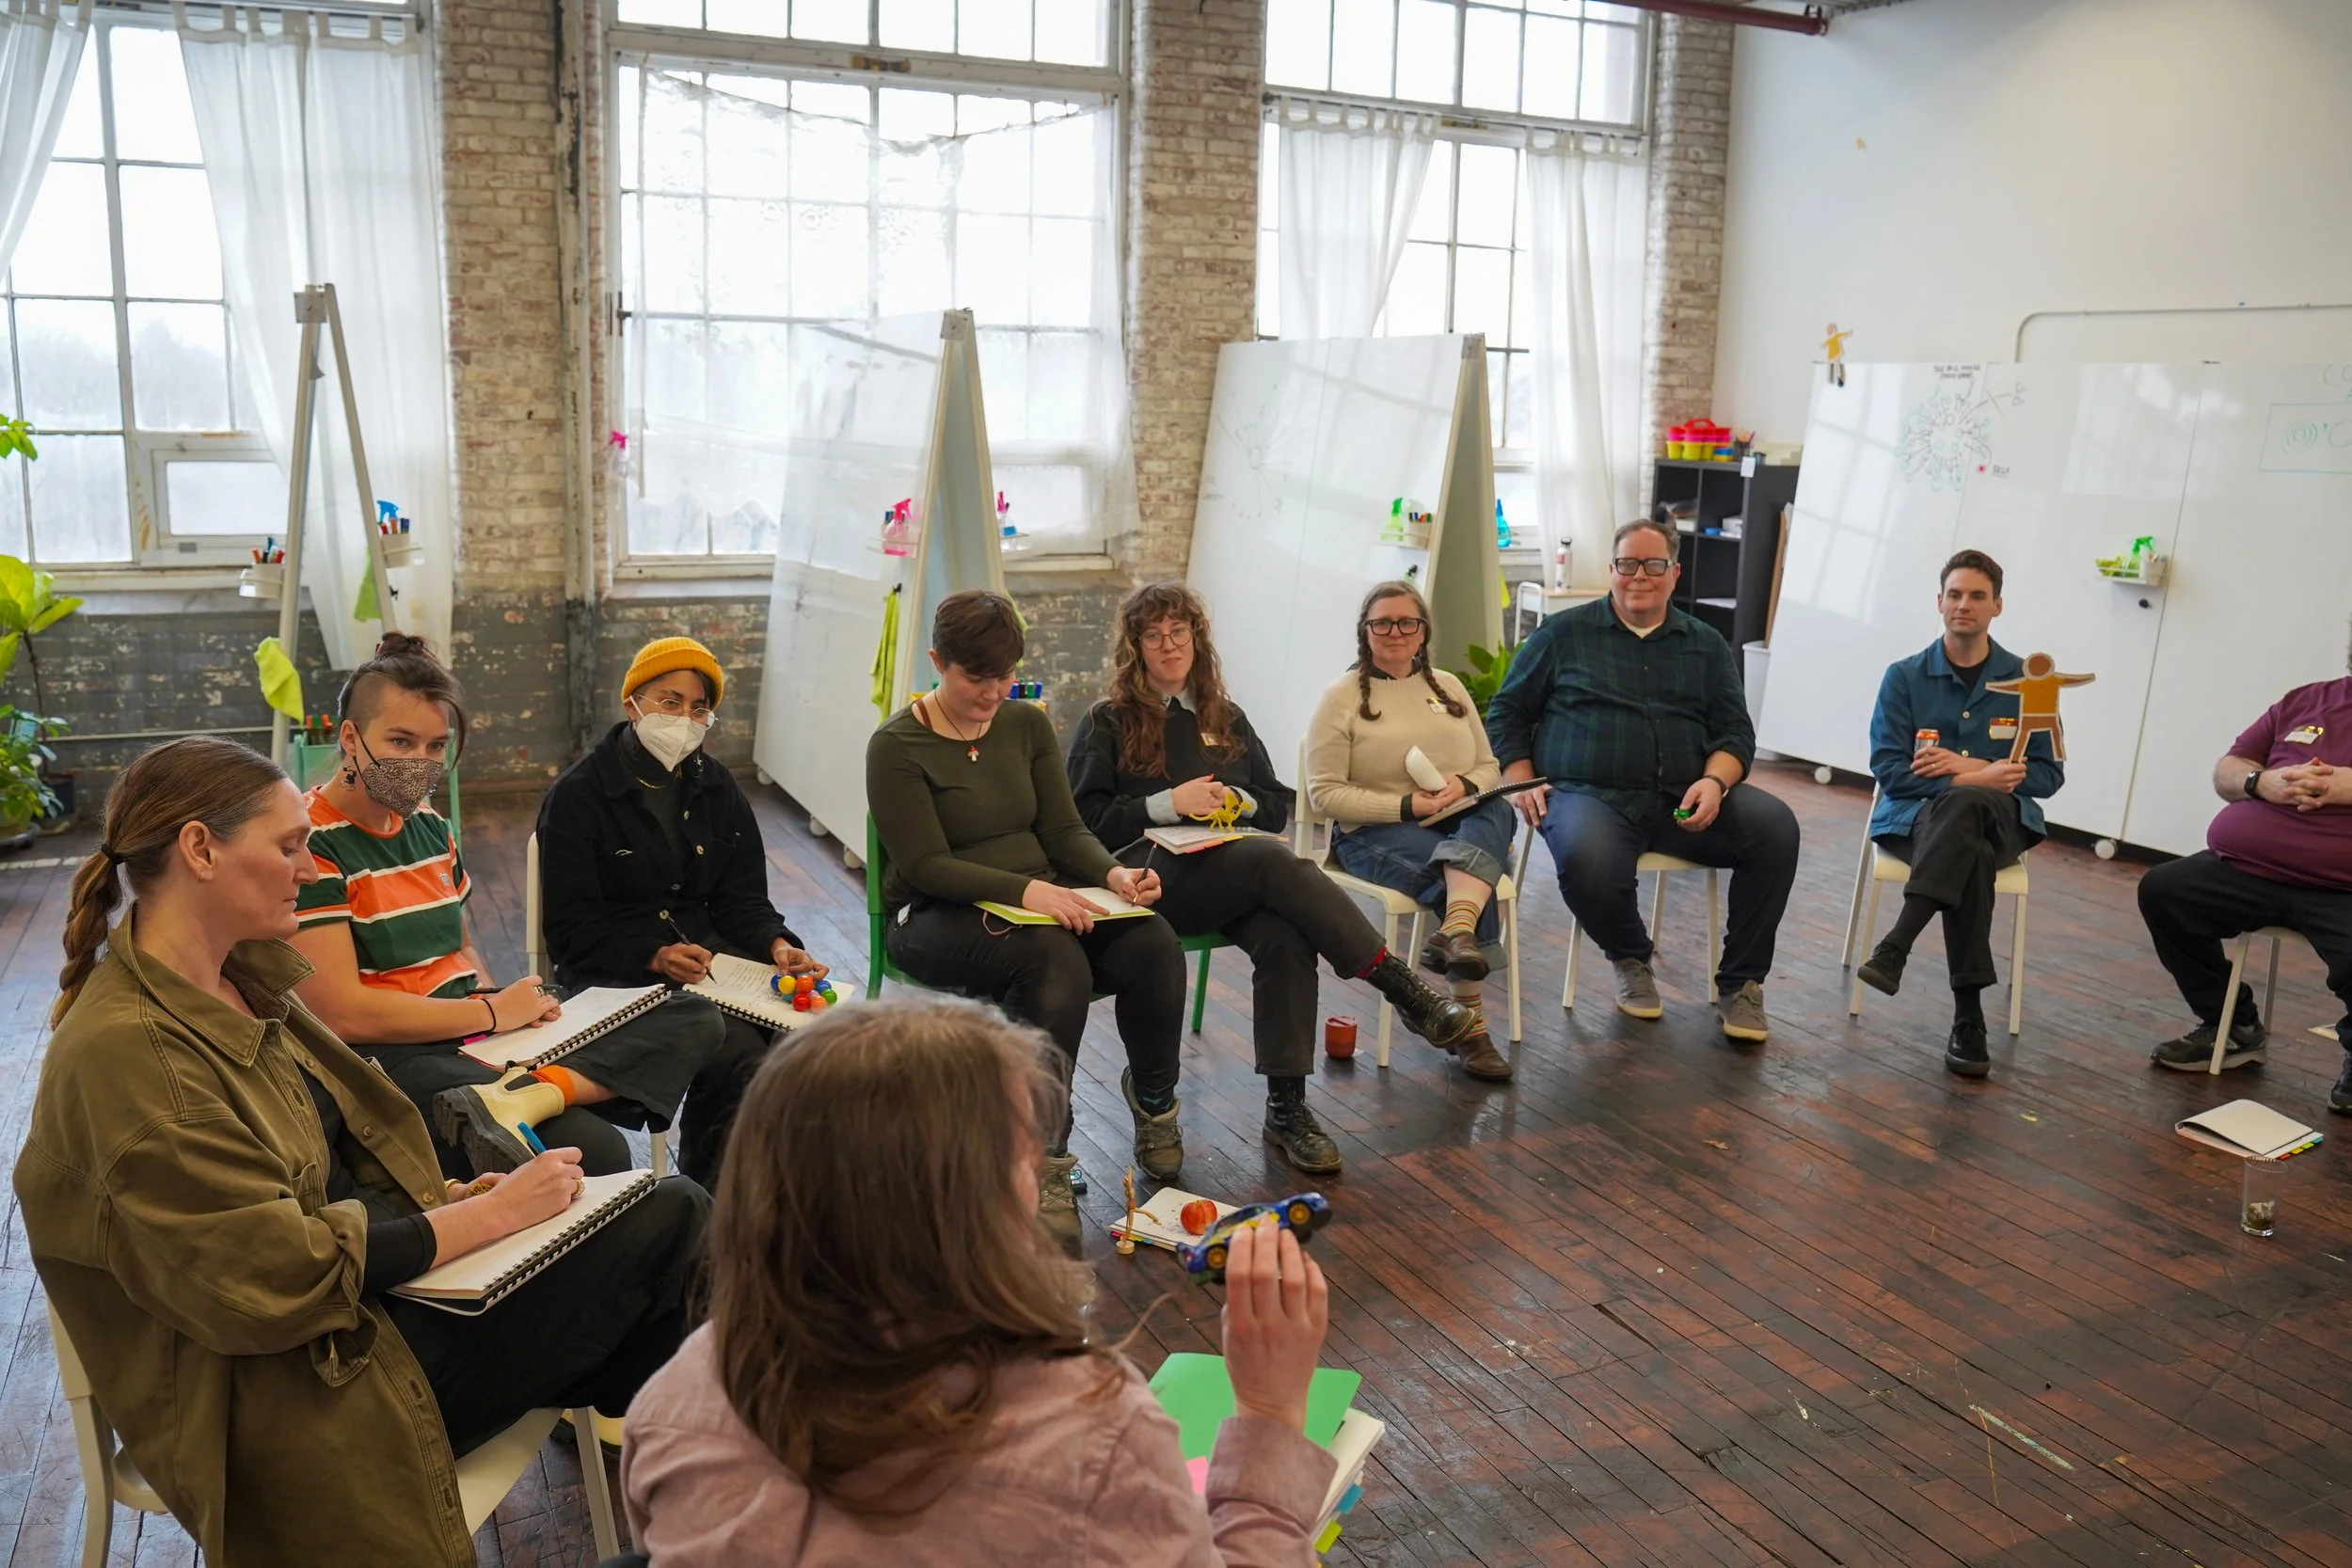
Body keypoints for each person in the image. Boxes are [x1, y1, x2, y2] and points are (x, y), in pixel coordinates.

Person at [15, 736, 707, 1568]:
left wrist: (451, 1201)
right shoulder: (128, 1055)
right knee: (673, 1231)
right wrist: (487, 1215)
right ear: (199, 849)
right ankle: (718, 1504)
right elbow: (271, 1275)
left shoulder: (243, 978)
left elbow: (328, 1170)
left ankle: (703, 1501)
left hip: (364, 1318)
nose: (310, 869)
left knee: (659, 1229)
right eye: (287, 846)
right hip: (301, 1391)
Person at [620, 995, 1337, 1566]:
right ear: (969, 1203)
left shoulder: (680, 1395)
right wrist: (1272, 1412)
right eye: (1026, 1161)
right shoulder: (1094, 1433)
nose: (1036, 1184)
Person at [1068, 583, 1476, 1172]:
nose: (1168, 646)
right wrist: (1168, 802)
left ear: (1196, 640)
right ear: (1134, 648)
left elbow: (1277, 805)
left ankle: (1287, 1109)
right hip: (1147, 881)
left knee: (1286, 933)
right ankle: (1401, 987)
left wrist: (1236, 798)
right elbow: (1083, 823)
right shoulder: (1105, 721)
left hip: (1232, 875)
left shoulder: (1224, 715)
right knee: (1270, 862)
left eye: (1179, 632)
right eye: (1153, 636)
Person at [288, 634, 728, 1180]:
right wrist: (493, 1015)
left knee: (691, 1015)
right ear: (350, 737)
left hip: (472, 1033)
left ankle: (528, 1095)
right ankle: (533, 1094)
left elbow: (460, 948)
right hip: (391, 1055)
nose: (421, 763)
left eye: (435, 746)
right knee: (601, 1153)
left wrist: (508, 1011)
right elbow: (341, 1013)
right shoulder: (311, 843)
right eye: (401, 742)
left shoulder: (429, 826)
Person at [866, 590, 1186, 1220]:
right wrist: (1026, 891)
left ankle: (1156, 1101)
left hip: (1037, 903)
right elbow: (926, 865)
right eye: (976, 677)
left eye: (1005, 676)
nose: (993, 693)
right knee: (1053, 960)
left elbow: (1064, 830)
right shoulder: (896, 745)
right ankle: (1044, 1154)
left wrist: (1114, 874)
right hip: (933, 913)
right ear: (937, 661)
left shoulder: (1026, 722)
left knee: (1153, 941)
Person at [1487, 515, 1799, 1044]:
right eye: (1628, 564)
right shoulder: (1563, 635)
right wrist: (1521, 782)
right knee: (1589, 858)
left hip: (1685, 797)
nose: (1640, 576)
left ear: (1674, 573)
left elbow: (1734, 730)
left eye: (1654, 565)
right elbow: (1507, 711)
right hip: (1589, 796)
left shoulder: (1704, 643)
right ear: (1611, 570)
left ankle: (1742, 982)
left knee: (1775, 829)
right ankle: (1631, 957)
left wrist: (1716, 782)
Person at [535, 636, 830, 1185]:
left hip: (710, 962)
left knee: (806, 1036)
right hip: (617, 971)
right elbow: (572, 934)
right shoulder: (579, 797)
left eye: (699, 708)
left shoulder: (715, 785)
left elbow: (742, 897)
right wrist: (655, 956)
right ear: (632, 705)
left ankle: (779, 1188)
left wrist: (776, 944)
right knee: (736, 1049)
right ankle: (711, 1198)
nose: (685, 719)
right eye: (669, 702)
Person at [1853, 549, 2064, 1077]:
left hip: (2003, 823)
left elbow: (2047, 776)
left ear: (1997, 605)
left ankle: (1897, 943)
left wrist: (1965, 767)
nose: (1963, 605)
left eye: (1976, 596)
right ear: (1938, 602)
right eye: (1954, 594)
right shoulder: (1903, 677)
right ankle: (1968, 1019)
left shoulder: (2028, 685)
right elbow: (1889, 770)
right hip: (1915, 819)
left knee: (1970, 811)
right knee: (1964, 832)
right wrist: (1975, 777)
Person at [1304, 580, 1516, 1081]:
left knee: (1496, 809)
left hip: (1454, 819)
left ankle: (1456, 932)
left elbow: (1489, 766)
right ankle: (1472, 1028)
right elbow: (1325, 795)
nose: (1395, 632)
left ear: (1423, 632)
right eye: (1382, 622)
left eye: (1407, 622)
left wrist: (1462, 784)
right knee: (1466, 873)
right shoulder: (1340, 698)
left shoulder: (1449, 686)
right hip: (1369, 834)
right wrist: (1407, 804)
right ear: (1366, 632)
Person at [2136, 656, 2352, 1112]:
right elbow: (2228, 768)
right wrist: (2261, 782)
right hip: (2249, 868)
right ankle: (2232, 1026)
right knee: (2165, 890)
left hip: (2341, 885)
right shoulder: (2307, 699)